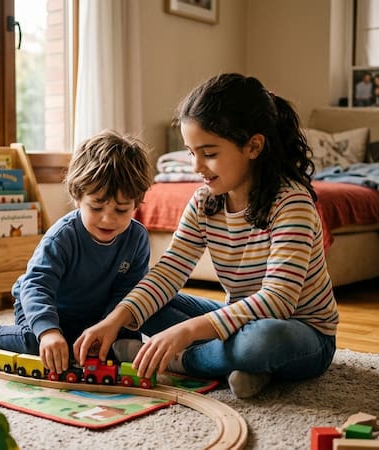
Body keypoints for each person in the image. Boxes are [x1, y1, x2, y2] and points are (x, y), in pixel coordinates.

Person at [73, 73, 338, 399]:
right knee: (131, 300)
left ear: (253, 146)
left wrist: (183, 334)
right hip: (238, 320)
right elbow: (169, 272)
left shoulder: (291, 203)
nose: (196, 166)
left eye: (209, 153)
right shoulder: (204, 202)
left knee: (260, 342)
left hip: (302, 333)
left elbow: (278, 301)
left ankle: (182, 362)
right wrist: (114, 321)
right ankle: (243, 368)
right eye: (190, 152)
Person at [0, 129, 154, 375]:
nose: (108, 219)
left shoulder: (137, 238)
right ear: (77, 197)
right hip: (43, 306)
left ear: (136, 204)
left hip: (95, 316)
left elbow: (128, 292)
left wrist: (108, 327)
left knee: (121, 338)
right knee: (36, 345)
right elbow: (36, 286)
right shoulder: (62, 237)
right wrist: (49, 332)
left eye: (122, 210)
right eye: (96, 207)